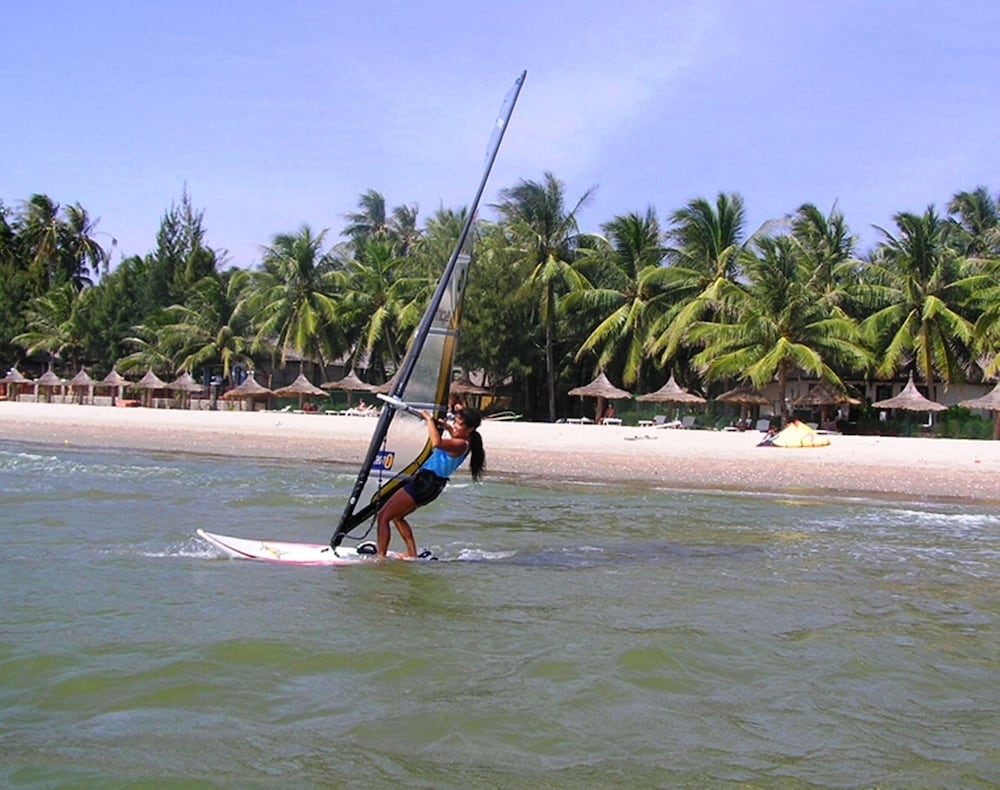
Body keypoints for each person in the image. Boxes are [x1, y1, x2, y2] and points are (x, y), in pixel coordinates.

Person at [375, 407, 485, 558]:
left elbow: (436, 443)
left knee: (383, 517)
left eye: (459, 424)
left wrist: (428, 420)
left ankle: (380, 558)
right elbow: (454, 437)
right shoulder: (467, 441)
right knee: (397, 516)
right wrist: (446, 426)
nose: (455, 426)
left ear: (470, 429)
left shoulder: (460, 444)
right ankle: (411, 553)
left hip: (425, 482)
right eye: (454, 422)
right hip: (432, 486)